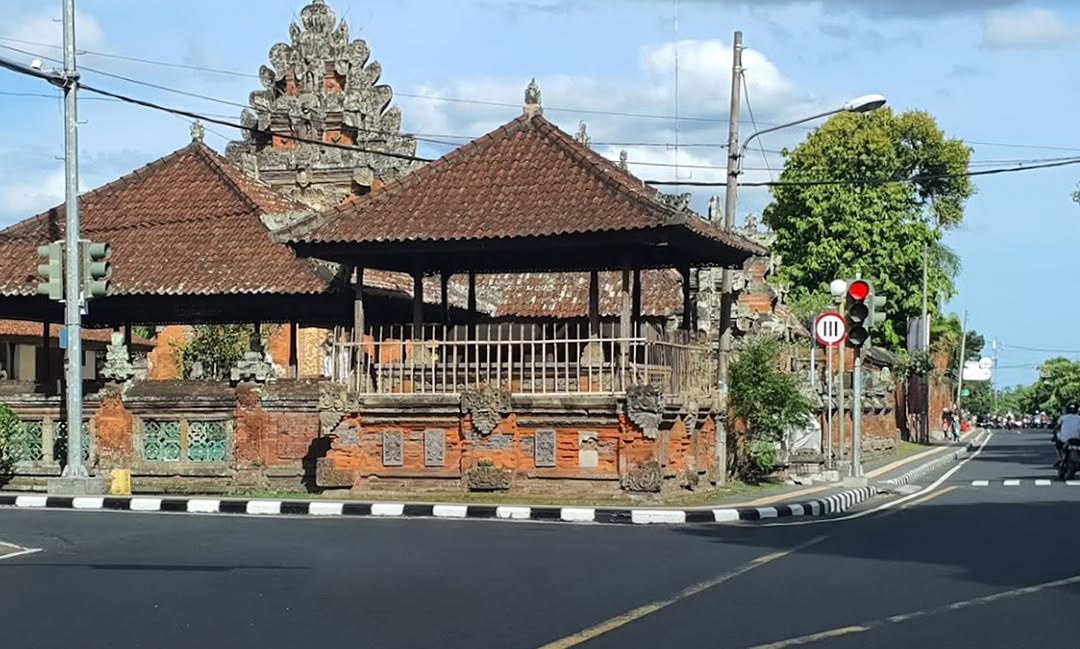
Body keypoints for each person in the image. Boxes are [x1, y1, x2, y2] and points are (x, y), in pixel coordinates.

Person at [1052, 403, 1080, 468]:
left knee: (1057, 446)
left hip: (1064, 440)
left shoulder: (1063, 417)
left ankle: (1060, 459)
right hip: (1077, 440)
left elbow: (1056, 427)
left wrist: (1054, 433)